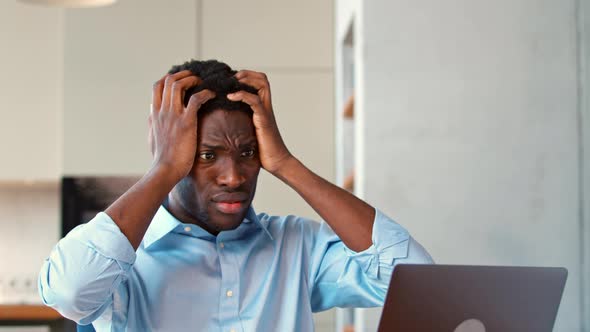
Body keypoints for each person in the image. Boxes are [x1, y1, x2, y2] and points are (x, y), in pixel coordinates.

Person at [38, 60, 433, 331]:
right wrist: (163, 169)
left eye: (248, 154)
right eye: (207, 156)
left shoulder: (297, 246)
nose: (233, 177)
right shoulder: (123, 259)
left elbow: (413, 277)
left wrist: (285, 163)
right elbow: (69, 293)